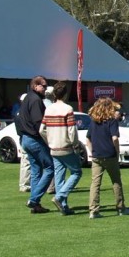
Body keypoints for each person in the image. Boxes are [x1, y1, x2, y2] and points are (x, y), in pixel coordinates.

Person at [40, 81, 82, 216]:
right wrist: (75, 144)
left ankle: (63, 206)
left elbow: (42, 130)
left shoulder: (49, 109)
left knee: (59, 176)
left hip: (54, 148)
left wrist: (49, 141)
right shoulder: (68, 109)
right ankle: (60, 197)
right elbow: (72, 131)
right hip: (66, 147)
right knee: (76, 172)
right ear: (65, 94)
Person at [86, 98, 129, 218]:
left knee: (95, 183)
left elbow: (88, 140)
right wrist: (117, 152)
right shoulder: (112, 121)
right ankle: (121, 208)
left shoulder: (93, 121)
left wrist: (92, 152)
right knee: (116, 181)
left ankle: (93, 210)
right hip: (110, 155)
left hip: (97, 156)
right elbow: (115, 138)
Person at [17, 76, 54, 214]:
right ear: (35, 86)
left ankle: (36, 205)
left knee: (36, 170)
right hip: (34, 139)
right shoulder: (36, 100)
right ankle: (34, 199)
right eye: (43, 86)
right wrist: (47, 139)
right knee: (50, 167)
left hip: (26, 139)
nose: (45, 88)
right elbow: (39, 123)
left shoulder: (28, 98)